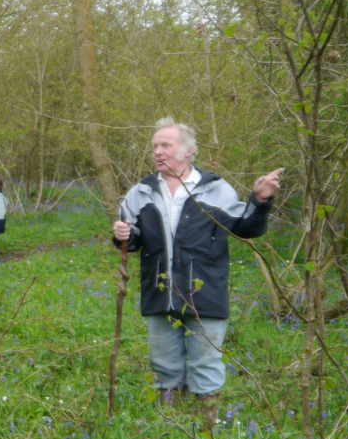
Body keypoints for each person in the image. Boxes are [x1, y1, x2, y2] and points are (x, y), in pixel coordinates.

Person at [112, 117, 282, 411]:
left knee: (206, 362)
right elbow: (132, 239)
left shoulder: (216, 189)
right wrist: (122, 235)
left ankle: (207, 427)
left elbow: (246, 228)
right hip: (159, 291)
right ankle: (170, 423)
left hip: (206, 292)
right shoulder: (140, 192)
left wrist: (259, 200)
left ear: (188, 150)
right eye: (155, 146)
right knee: (165, 364)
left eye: (166, 145)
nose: (158, 152)